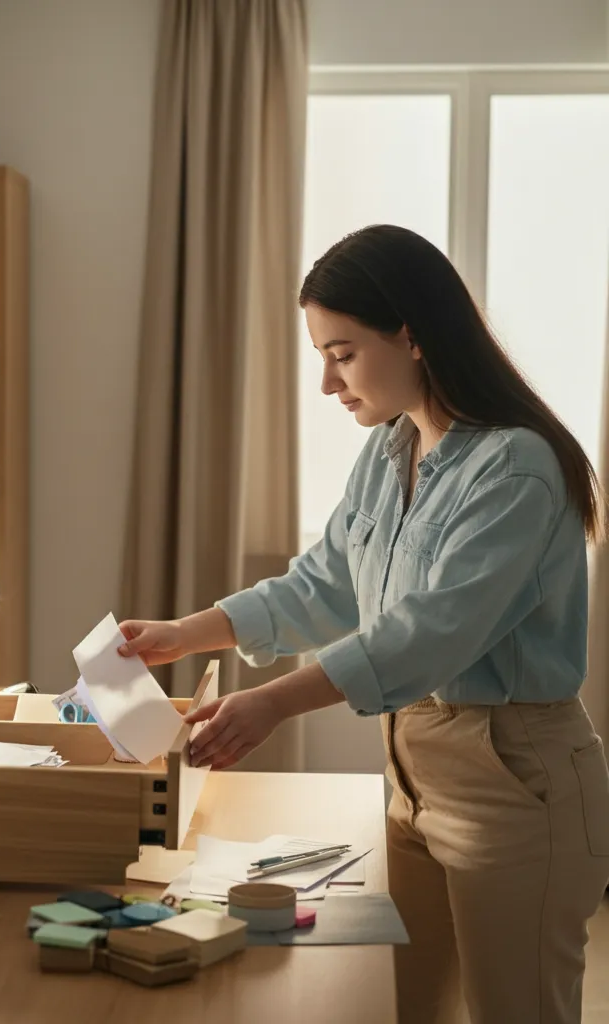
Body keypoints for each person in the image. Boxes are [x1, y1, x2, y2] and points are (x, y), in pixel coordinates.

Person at [118, 224, 609, 1024]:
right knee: (399, 1008)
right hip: (412, 783)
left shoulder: (516, 467)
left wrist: (272, 701)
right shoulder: (390, 451)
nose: (326, 382)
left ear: (410, 336)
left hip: (516, 790)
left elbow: (430, 632)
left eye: (341, 354)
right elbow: (326, 584)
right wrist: (183, 632)